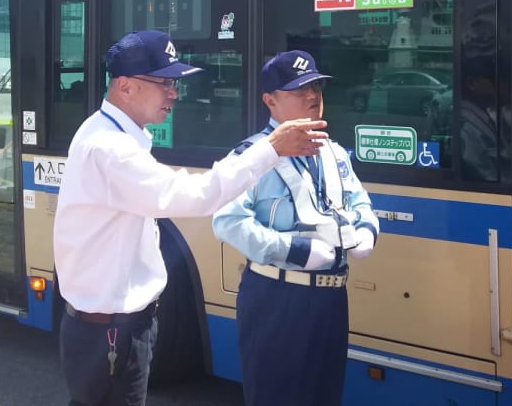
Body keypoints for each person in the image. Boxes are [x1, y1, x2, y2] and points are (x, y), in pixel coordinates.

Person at [53, 31, 329, 406]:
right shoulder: (111, 149)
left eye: (175, 83)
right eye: (164, 83)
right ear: (126, 87)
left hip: (113, 329)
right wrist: (270, 148)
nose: (174, 93)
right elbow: (196, 196)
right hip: (111, 334)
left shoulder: (111, 134)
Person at [212, 50, 379, 406]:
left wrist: (367, 230)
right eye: (298, 89)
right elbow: (227, 221)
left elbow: (360, 201)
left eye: (315, 85)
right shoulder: (251, 156)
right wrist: (295, 251)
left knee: (325, 395)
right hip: (278, 299)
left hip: (331, 298)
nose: (311, 95)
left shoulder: (334, 153)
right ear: (270, 101)